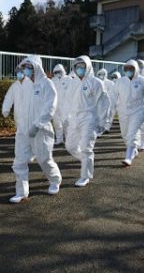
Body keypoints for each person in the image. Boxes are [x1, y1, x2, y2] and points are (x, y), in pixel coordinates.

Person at [2, 55, 62, 202]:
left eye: (29, 67)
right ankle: (22, 192)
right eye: (25, 67)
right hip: (23, 130)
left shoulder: (46, 84)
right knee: (19, 161)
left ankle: (55, 180)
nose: (26, 70)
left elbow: (50, 107)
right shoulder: (24, 85)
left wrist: (38, 124)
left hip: (41, 131)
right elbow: (21, 107)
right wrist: (20, 125)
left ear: (36, 67)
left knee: (44, 159)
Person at [61, 56, 110, 187]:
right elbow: (67, 102)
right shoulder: (72, 83)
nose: (80, 69)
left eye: (82, 66)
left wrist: (103, 122)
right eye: (77, 66)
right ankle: (86, 160)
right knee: (70, 146)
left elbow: (104, 103)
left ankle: (85, 176)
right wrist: (65, 118)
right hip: (74, 119)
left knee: (86, 148)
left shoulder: (96, 82)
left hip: (89, 119)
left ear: (88, 66)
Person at [115, 60, 144, 166]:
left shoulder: (143, 81)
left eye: (131, 69)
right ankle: (133, 150)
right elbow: (114, 97)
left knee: (132, 134)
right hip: (123, 112)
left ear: (136, 69)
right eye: (126, 69)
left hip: (138, 111)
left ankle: (128, 157)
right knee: (125, 135)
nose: (128, 71)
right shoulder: (120, 81)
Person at [51, 64, 68, 145]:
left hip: (66, 106)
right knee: (57, 124)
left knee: (67, 124)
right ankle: (59, 139)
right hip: (55, 106)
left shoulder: (68, 80)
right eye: (56, 72)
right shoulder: (52, 81)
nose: (58, 73)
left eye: (59, 72)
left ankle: (69, 140)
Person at [96, 68, 116, 133]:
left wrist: (111, 102)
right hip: (99, 102)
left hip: (109, 102)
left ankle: (106, 128)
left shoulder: (110, 83)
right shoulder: (96, 82)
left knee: (108, 115)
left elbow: (112, 94)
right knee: (99, 115)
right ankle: (100, 128)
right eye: (100, 74)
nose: (101, 75)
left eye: (103, 74)